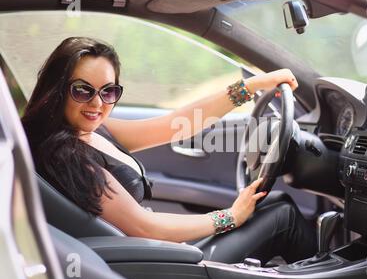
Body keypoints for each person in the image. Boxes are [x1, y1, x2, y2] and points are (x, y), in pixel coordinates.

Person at [22, 37, 316, 265]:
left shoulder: (89, 131)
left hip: (159, 254)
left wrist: (250, 87)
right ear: (58, 89)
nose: (98, 104)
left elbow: (177, 125)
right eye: (82, 90)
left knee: (274, 203)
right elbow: (144, 226)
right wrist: (230, 217)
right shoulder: (66, 154)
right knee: (284, 217)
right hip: (156, 266)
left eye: (108, 91)